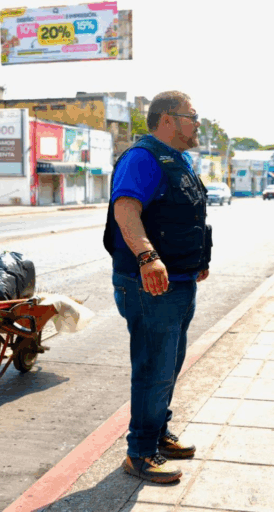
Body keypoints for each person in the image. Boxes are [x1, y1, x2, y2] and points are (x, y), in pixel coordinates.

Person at [103, 91, 212, 484]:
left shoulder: (178, 160)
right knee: (153, 367)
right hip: (148, 285)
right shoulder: (142, 158)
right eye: (192, 116)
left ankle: (158, 432)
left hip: (178, 281)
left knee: (169, 364)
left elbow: (182, 216)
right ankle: (141, 452)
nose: (197, 123)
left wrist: (196, 261)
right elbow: (125, 209)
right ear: (168, 119)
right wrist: (148, 257)